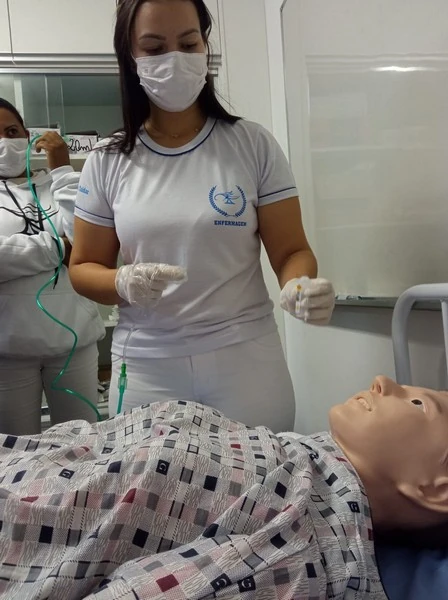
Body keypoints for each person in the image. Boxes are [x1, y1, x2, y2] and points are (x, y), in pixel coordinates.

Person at [69, 0, 335, 432]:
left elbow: (291, 251)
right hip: (147, 365)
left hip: (246, 359)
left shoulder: (252, 144)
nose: (174, 58)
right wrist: (122, 282)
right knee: (148, 477)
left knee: (264, 473)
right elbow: (82, 268)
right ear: (130, 57)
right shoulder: (108, 160)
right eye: (154, 48)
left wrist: (300, 284)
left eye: (188, 43)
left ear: (205, 46)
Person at [0, 375, 448, 599]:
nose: (383, 381)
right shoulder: (303, 457)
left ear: (436, 490)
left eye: (418, 403)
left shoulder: (297, 543)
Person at [0, 98, 105, 436]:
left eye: (11, 131)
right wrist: (59, 247)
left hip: (75, 343)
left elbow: (87, 242)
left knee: (83, 446)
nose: (4, 142)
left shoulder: (58, 185)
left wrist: (62, 170)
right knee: (17, 453)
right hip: (8, 351)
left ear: (27, 135)